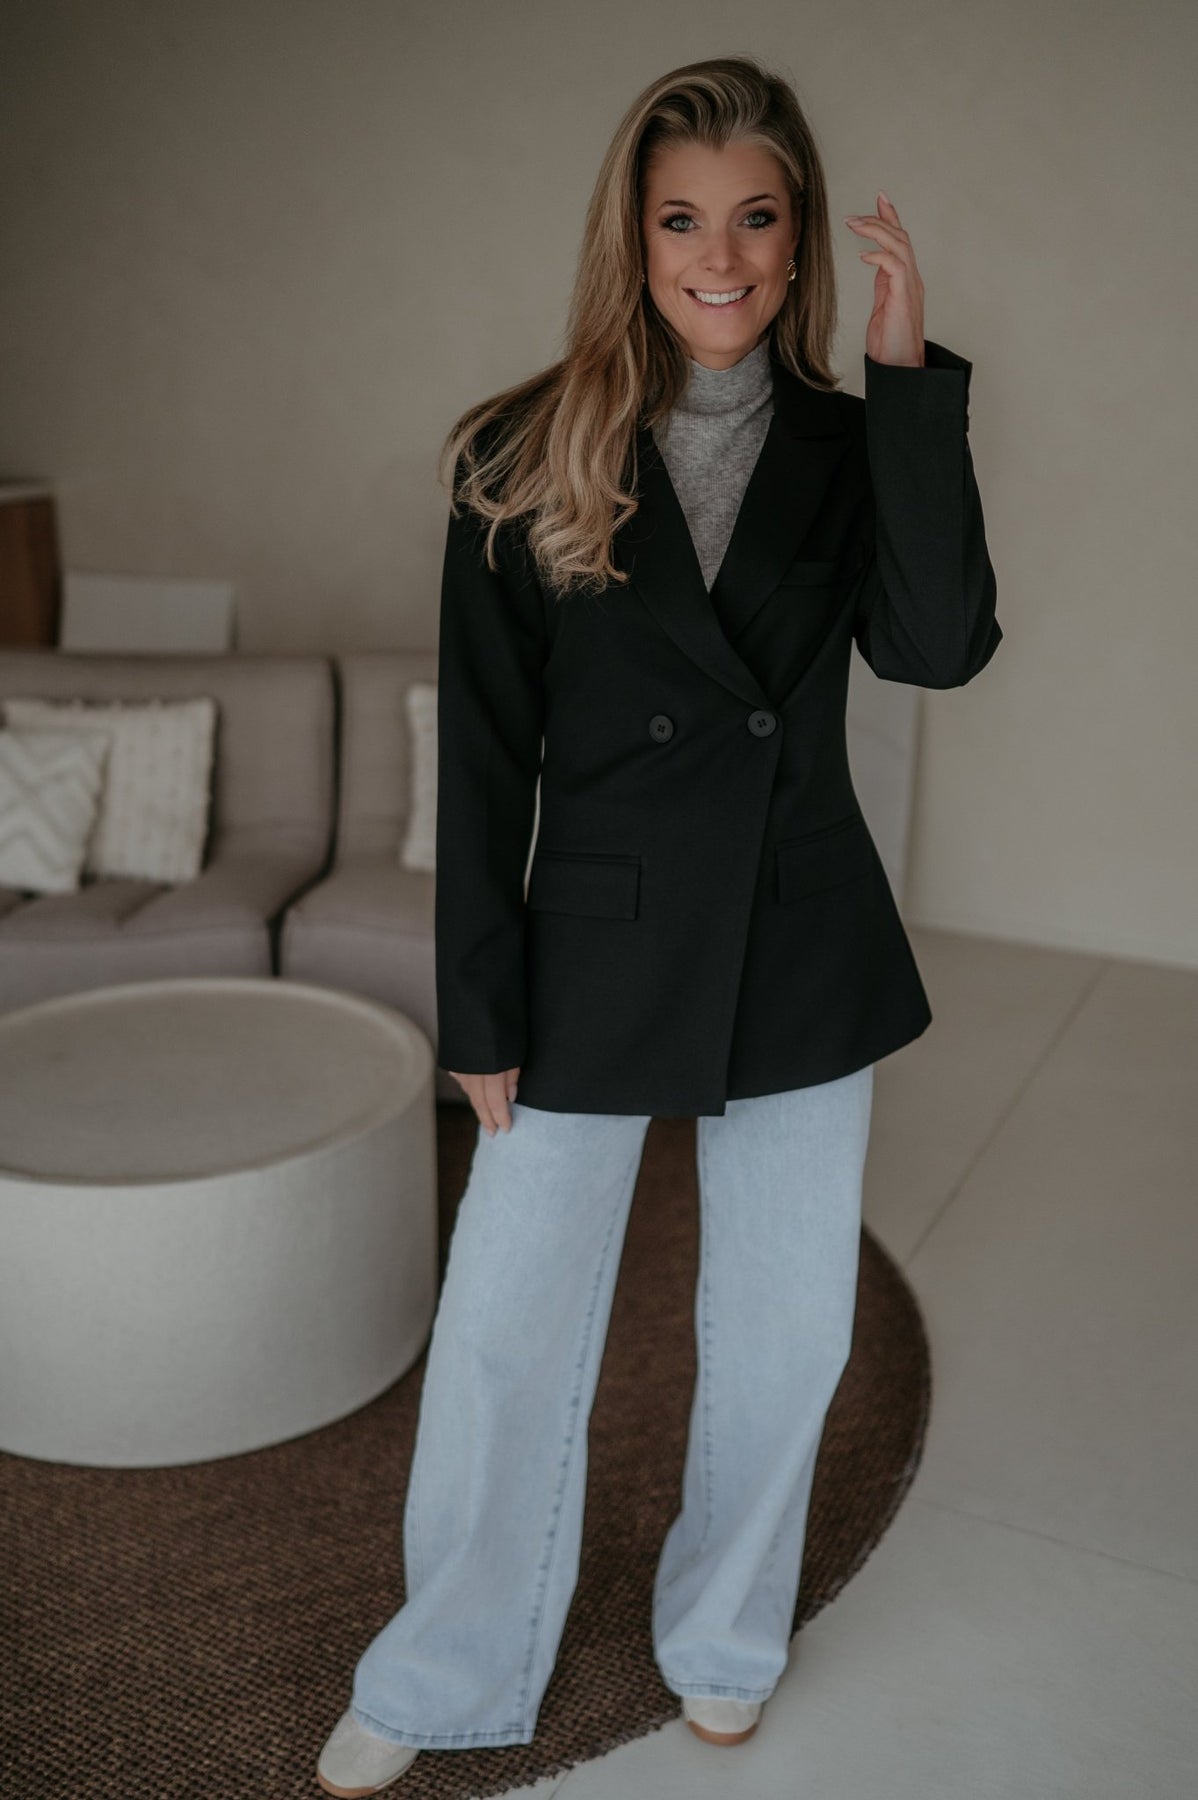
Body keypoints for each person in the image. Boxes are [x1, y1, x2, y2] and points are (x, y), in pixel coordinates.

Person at [317, 52, 1001, 1797]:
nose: (720, 256)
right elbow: (486, 762)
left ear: (800, 238)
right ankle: (448, 1663)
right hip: (591, 946)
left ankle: (722, 1640)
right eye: (682, 218)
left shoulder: (853, 441)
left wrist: (908, 383)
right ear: (631, 234)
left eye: (755, 218)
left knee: (785, 1333)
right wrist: (479, 1008)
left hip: (798, 936)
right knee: (505, 1328)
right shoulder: (518, 444)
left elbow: (935, 649)